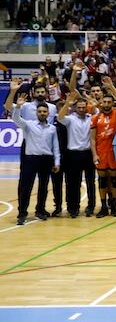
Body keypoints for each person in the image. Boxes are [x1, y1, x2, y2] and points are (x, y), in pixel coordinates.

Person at [7, 85, 60, 225]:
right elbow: (16, 120)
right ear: (36, 112)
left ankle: (40, 210)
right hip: (31, 158)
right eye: (40, 111)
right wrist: (17, 107)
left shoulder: (52, 128)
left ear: (48, 113)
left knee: (43, 186)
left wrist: (57, 162)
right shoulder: (29, 124)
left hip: (46, 159)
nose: (42, 113)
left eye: (44, 112)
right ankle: (22, 213)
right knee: (26, 186)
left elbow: (56, 147)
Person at [58, 94, 97, 217]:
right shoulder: (70, 119)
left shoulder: (91, 118)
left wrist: (93, 103)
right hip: (73, 154)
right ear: (75, 108)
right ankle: (73, 208)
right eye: (79, 107)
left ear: (87, 107)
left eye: (83, 107)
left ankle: (91, 206)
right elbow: (60, 117)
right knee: (73, 183)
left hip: (87, 153)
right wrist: (67, 104)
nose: (81, 109)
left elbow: (98, 112)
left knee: (91, 182)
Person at [90, 84, 116, 218]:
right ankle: (104, 206)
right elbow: (92, 139)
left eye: (109, 102)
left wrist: (111, 87)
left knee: (115, 180)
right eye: (104, 102)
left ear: (112, 104)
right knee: (102, 180)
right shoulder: (95, 118)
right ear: (101, 103)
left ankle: (114, 205)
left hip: (114, 153)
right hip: (101, 153)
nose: (106, 104)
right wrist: (94, 155)